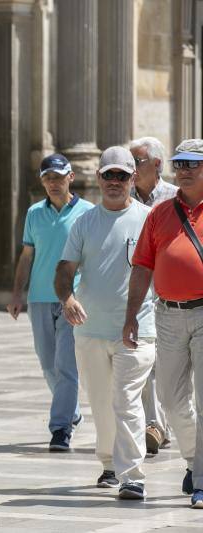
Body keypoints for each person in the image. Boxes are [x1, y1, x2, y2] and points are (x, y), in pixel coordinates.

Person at [55, 146, 155, 500]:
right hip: (90, 329)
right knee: (100, 402)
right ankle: (110, 464)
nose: (115, 182)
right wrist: (67, 298)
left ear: (134, 179)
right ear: (98, 178)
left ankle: (133, 476)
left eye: (122, 176)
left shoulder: (149, 218)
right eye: (108, 175)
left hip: (138, 330)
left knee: (125, 400)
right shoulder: (84, 222)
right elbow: (65, 269)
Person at [124, 138, 203, 508]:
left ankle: (202, 479)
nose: (184, 171)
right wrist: (131, 317)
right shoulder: (159, 214)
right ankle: (194, 459)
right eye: (179, 164)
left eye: (193, 164)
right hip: (167, 314)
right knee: (171, 402)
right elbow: (142, 266)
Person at [7, 154, 93, 451]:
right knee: (47, 363)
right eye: (48, 178)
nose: (53, 184)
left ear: (71, 177)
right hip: (40, 298)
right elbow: (26, 256)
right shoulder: (33, 213)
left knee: (66, 365)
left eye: (58, 177)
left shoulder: (88, 213)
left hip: (73, 299)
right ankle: (72, 411)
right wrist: (17, 293)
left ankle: (60, 429)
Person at [129, 136, 178, 455]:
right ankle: (155, 426)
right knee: (143, 359)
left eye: (137, 163)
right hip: (141, 292)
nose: (131, 170)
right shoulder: (124, 199)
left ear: (157, 165)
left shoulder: (177, 197)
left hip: (175, 291)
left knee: (171, 367)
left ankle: (168, 423)